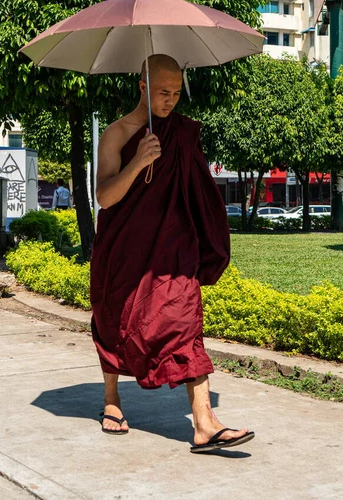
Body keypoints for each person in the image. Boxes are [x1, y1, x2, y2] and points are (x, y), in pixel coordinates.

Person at [90, 54, 254, 452]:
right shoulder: (117, 134)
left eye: (177, 93)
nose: (171, 101)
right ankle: (112, 400)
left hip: (172, 248)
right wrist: (138, 162)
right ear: (143, 87)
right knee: (114, 324)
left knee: (184, 322)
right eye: (163, 92)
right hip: (124, 250)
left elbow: (195, 189)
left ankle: (204, 423)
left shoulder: (180, 133)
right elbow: (104, 197)